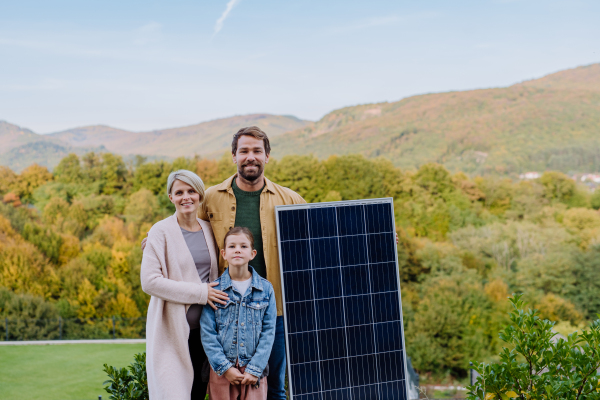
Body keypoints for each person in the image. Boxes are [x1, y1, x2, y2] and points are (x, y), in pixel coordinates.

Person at [198, 126, 305, 400]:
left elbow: (322, 236)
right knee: (222, 388)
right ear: (234, 155)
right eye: (244, 151)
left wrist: (378, 237)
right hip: (222, 309)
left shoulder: (290, 200)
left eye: (257, 151)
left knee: (274, 391)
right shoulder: (211, 197)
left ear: (267, 156)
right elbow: (186, 228)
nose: (250, 157)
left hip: (274, 311)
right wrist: (155, 237)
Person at [140, 170, 230, 400]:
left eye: (191, 191)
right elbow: (149, 282)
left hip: (206, 334)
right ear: (171, 197)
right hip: (172, 333)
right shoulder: (160, 231)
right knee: (174, 393)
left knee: (198, 393)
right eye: (179, 192)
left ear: (200, 195)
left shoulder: (210, 230)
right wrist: (201, 293)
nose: (186, 197)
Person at [200, 227, 276, 400]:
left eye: (243, 246)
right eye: (232, 246)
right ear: (224, 253)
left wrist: (255, 369)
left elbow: (268, 332)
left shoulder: (266, 289)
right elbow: (207, 333)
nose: (238, 250)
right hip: (222, 371)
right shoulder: (214, 289)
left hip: (254, 372)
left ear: (253, 253)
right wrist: (225, 368)